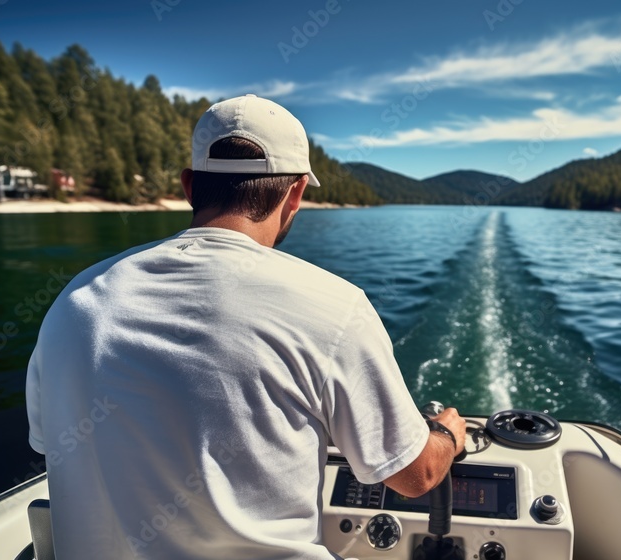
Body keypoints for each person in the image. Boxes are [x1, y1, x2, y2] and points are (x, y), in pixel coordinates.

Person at [25, 94, 466, 559]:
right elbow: (414, 476)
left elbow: (48, 442)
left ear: (189, 186)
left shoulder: (74, 302)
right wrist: (445, 437)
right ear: (295, 194)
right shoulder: (335, 306)